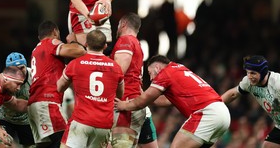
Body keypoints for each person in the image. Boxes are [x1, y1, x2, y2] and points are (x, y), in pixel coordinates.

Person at [115, 55, 231, 148]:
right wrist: (144, 96)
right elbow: (165, 101)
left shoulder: (165, 74)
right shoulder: (179, 69)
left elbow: (143, 101)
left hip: (207, 114)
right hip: (223, 114)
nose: (151, 79)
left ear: (157, 68)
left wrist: (124, 105)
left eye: (150, 73)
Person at [57, 29, 124, 148]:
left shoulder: (75, 64)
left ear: (86, 44)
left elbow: (59, 87)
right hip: (104, 124)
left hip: (81, 121)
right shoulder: (116, 68)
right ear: (105, 46)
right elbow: (120, 95)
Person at [28, 20, 86, 147]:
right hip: (47, 102)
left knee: (45, 146)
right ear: (55, 32)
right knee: (65, 142)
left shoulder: (36, 50)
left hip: (34, 104)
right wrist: (72, 41)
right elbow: (79, 51)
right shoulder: (50, 42)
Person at [110, 13, 158, 148]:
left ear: (123, 24)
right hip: (134, 102)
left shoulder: (125, 41)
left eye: (118, 25)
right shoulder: (136, 44)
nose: (117, 29)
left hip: (125, 105)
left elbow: (117, 74)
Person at [221, 55, 280, 148]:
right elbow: (233, 94)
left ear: (263, 72)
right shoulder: (248, 82)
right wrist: (215, 104)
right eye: (247, 73)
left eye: (253, 73)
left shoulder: (277, 83)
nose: (249, 76)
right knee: (269, 145)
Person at [0, 52, 35, 148]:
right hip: (5, 118)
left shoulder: (35, 76)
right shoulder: (2, 80)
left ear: (26, 65)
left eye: (22, 68)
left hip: (27, 121)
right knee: (0, 146)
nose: (19, 72)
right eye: (15, 69)